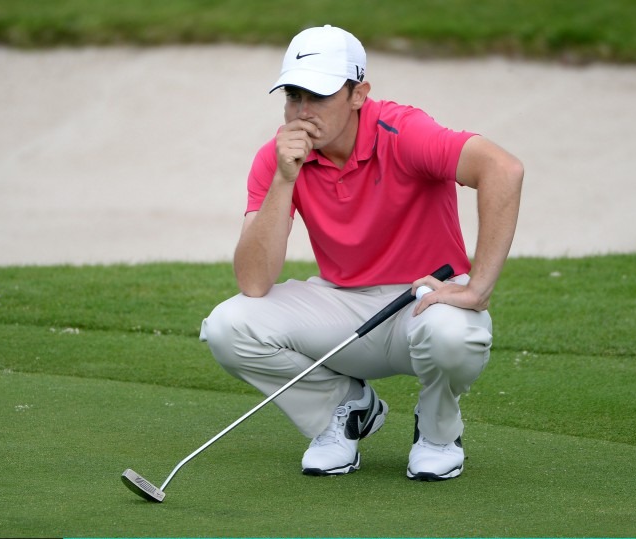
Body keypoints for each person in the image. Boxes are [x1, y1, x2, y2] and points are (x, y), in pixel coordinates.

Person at [200, 24, 523, 481]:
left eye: (319, 95)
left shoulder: (403, 130)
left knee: (454, 336)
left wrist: (479, 288)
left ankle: (437, 433)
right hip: (342, 307)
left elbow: (503, 169)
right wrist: (284, 178)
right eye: (293, 95)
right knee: (228, 327)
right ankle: (345, 410)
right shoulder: (277, 158)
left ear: (358, 94)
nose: (303, 111)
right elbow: (253, 282)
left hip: (424, 300)